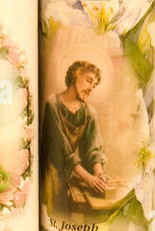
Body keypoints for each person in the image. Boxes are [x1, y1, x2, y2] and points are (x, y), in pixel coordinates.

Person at [42, 61, 110, 216]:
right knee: (56, 214)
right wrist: (88, 178)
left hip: (73, 172)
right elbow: (60, 149)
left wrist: (98, 173)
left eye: (94, 85)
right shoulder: (52, 105)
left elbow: (93, 147)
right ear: (74, 75)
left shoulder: (89, 113)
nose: (91, 88)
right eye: (88, 80)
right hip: (52, 172)